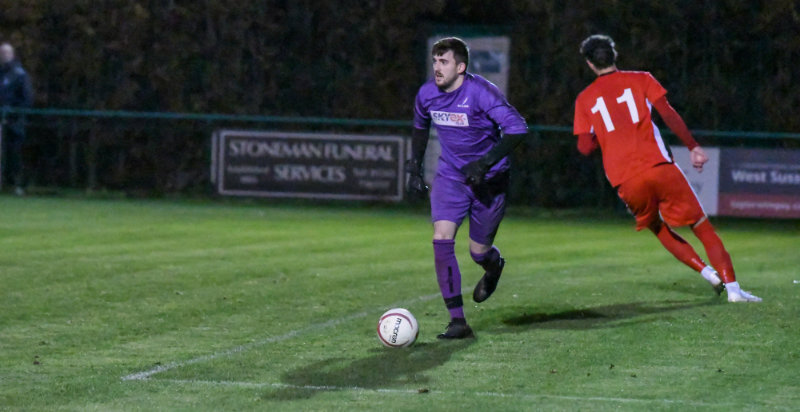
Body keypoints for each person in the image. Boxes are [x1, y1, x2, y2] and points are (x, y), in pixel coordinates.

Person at [572, 34, 761, 303]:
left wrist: (601, 136)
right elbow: (668, 113)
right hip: (659, 166)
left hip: (626, 179)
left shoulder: (585, 99)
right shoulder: (641, 79)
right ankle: (733, 289)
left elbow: (584, 147)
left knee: (657, 227)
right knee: (701, 226)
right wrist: (693, 146)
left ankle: (707, 273)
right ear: (615, 55)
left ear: (590, 64)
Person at [408, 37, 529, 339]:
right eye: (435, 61)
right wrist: (414, 168)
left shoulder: (482, 93)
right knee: (441, 239)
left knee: (479, 252)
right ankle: (457, 321)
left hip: (490, 181)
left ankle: (494, 267)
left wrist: (484, 163)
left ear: (460, 67)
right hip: (451, 177)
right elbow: (420, 127)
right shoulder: (426, 94)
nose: (437, 68)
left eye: (444, 62)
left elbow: (518, 128)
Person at [0, 42, 33, 195]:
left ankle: (17, 185)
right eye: (1, 53)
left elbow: (26, 99)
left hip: (14, 123)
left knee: (14, 153)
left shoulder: (19, 74)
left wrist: (13, 115)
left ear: (12, 55)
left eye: (6, 53)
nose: (3, 56)